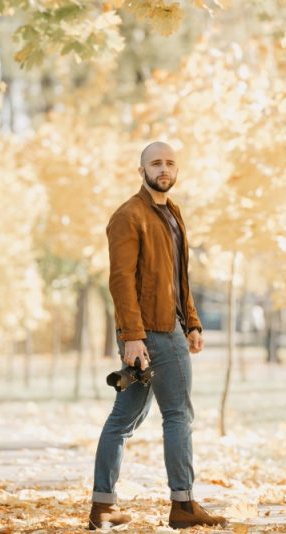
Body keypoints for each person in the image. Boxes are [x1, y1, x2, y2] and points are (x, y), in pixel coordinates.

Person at [88, 142, 227, 530]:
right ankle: (183, 505)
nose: (163, 169)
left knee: (124, 419)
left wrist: (194, 323)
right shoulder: (128, 216)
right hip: (154, 332)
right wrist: (133, 337)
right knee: (179, 415)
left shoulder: (172, 213)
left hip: (168, 327)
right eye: (155, 163)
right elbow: (120, 281)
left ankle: (103, 507)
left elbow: (178, 278)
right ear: (141, 170)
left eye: (169, 163)